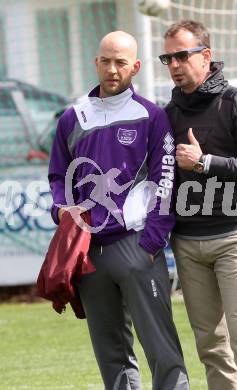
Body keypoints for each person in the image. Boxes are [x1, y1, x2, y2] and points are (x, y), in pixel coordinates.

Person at [48, 31, 189, 390]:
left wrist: (151, 244)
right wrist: (62, 211)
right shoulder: (71, 118)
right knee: (112, 355)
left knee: (161, 349)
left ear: (135, 67)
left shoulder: (152, 116)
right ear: (96, 62)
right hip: (88, 254)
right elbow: (58, 177)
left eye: (121, 62)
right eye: (106, 61)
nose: (112, 69)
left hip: (137, 246)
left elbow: (166, 181)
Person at [159, 20, 237, 390]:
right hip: (188, 244)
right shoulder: (168, 114)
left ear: (206, 56)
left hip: (236, 238)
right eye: (168, 58)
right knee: (211, 346)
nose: (175, 64)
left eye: (182, 55)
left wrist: (205, 163)